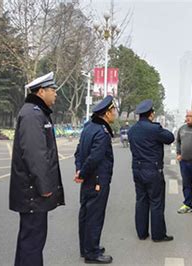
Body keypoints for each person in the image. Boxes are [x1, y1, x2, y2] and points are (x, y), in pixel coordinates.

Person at [9, 72, 65, 266]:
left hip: (32, 192)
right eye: (52, 90)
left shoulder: (36, 112)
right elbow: (35, 156)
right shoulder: (33, 115)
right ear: (41, 91)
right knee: (32, 242)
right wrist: (45, 186)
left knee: (30, 240)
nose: (55, 94)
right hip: (33, 192)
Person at [74, 96, 117, 264]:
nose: (115, 114)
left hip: (88, 180)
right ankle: (92, 253)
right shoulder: (102, 133)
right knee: (95, 215)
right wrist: (83, 173)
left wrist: (79, 171)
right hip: (98, 180)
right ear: (106, 113)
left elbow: (79, 152)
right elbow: (94, 158)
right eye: (113, 111)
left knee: (85, 213)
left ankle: (86, 248)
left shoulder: (88, 128)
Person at [127, 99, 175, 242]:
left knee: (141, 200)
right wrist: (158, 127)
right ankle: (158, 235)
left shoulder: (132, 130)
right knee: (156, 202)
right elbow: (170, 138)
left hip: (137, 169)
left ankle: (142, 233)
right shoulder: (154, 129)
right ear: (151, 114)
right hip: (153, 170)